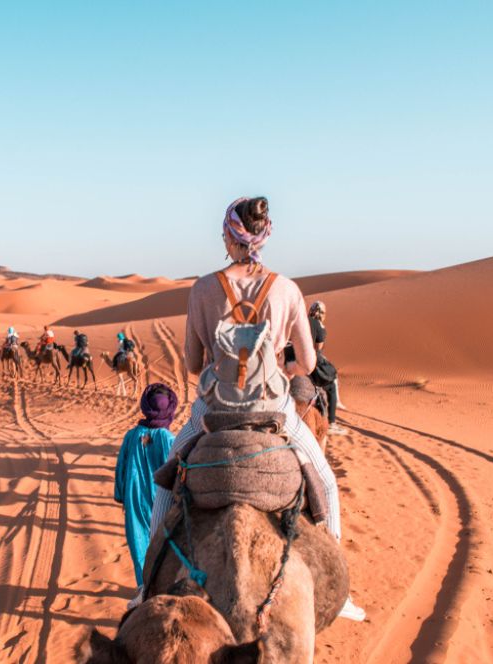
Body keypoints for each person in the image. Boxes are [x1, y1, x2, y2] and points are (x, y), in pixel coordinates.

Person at [146, 195, 364, 621]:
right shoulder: (287, 289)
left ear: (229, 236)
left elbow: (192, 364)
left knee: (164, 485)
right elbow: (308, 363)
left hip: (211, 415)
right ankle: (341, 597)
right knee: (325, 481)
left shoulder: (204, 288)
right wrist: (277, 363)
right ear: (264, 237)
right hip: (274, 413)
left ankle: (144, 585)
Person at [115, 383, 178, 606]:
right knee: (163, 540)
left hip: (135, 495)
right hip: (164, 497)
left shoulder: (132, 436)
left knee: (138, 539)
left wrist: (121, 494)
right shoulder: (169, 439)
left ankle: (144, 585)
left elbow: (121, 466)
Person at [308, 301, 345, 435]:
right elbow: (318, 348)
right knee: (332, 379)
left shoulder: (302, 320)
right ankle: (332, 422)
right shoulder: (319, 325)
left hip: (289, 356)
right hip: (309, 359)